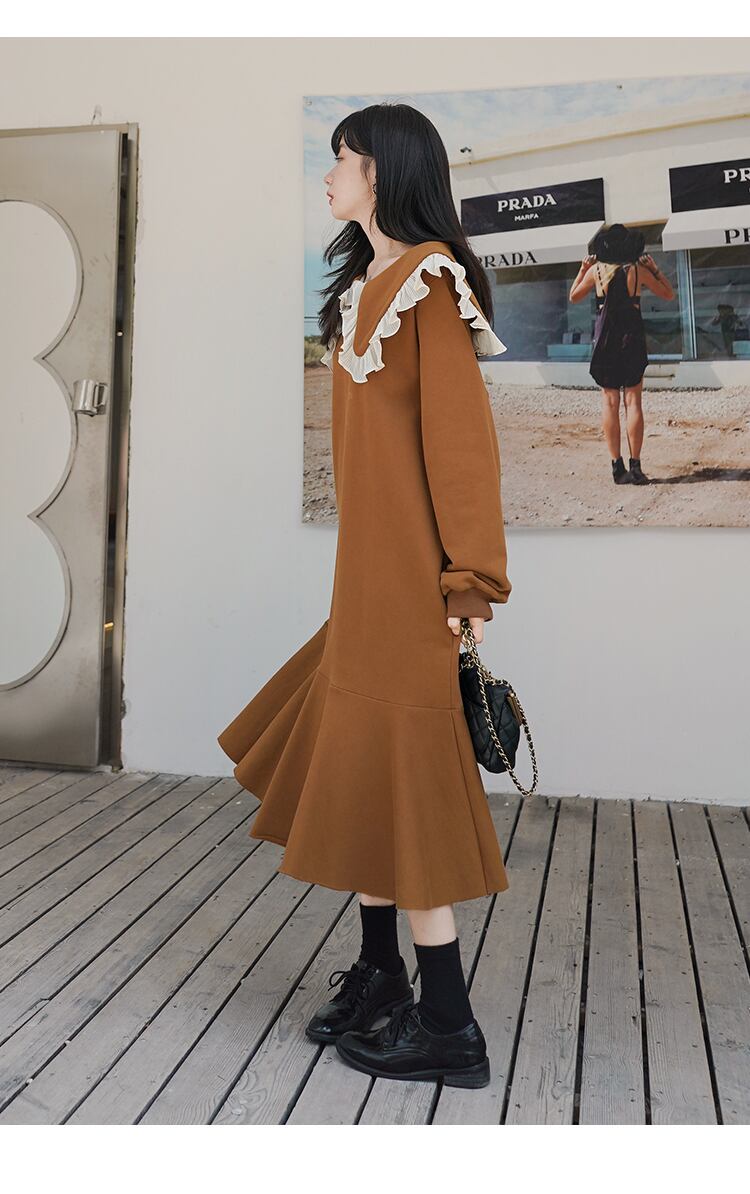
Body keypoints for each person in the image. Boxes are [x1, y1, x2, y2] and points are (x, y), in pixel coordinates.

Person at [217, 103, 512, 1090]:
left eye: (340, 159)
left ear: (381, 171)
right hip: (367, 584)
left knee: (405, 792)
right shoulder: (365, 289)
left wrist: (469, 583)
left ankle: (451, 1027)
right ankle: (383, 974)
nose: (329, 173)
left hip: (413, 590)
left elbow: (462, 451)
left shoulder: (429, 282)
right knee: (364, 778)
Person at [569, 222, 674, 485]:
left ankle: (617, 467)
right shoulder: (638, 270)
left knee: (610, 402)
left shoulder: (596, 271)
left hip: (606, 338)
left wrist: (582, 270)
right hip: (632, 336)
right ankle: (636, 467)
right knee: (633, 402)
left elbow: (573, 297)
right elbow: (668, 295)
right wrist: (655, 269)